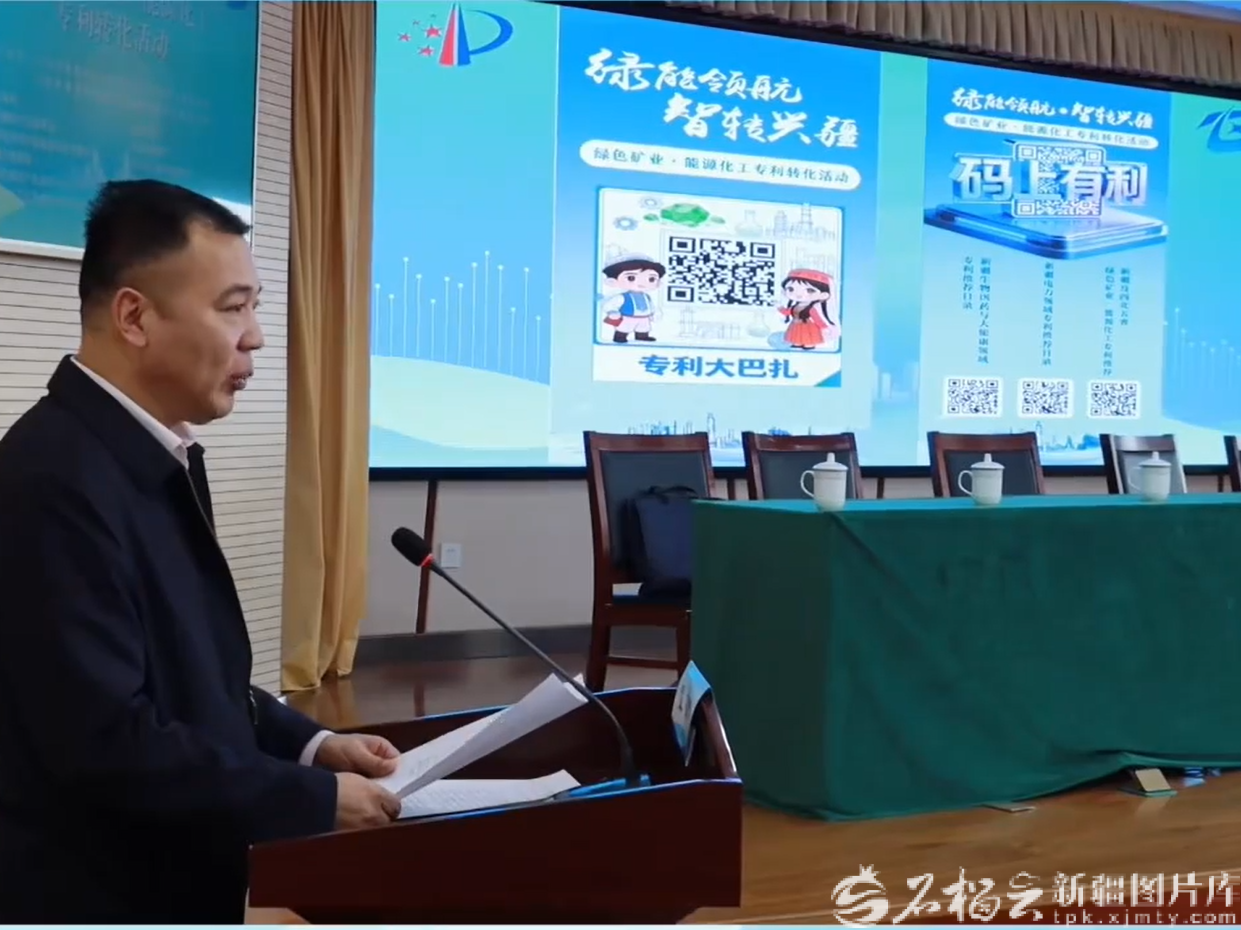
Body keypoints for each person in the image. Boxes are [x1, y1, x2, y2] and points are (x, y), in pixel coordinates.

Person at [0, 180, 403, 923]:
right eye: (233, 308)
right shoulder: (52, 480)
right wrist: (309, 799)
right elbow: (105, 741)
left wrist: (311, 745)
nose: (256, 337)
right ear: (134, 317)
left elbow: (191, 677)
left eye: (254, 307)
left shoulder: (154, 452)